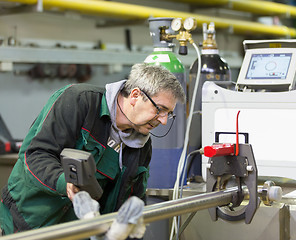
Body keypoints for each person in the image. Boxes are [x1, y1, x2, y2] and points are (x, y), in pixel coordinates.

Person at [0, 63, 186, 236]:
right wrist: (66, 183)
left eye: (168, 114)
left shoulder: (141, 146)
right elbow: (35, 155)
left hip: (75, 233)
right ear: (135, 96)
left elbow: (130, 201)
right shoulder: (80, 102)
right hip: (24, 222)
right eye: (160, 109)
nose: (163, 121)